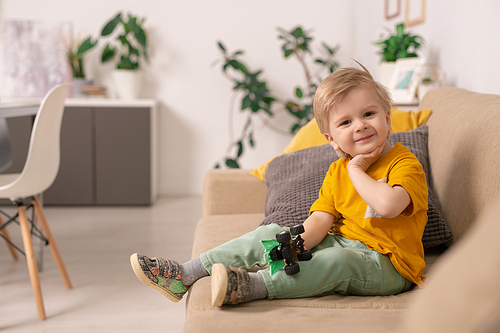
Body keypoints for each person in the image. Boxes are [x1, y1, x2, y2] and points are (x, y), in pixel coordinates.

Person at [130, 63, 428, 307]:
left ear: (388, 119)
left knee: (337, 261)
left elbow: (388, 206)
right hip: (342, 240)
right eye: (345, 122)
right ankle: (184, 274)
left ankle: (252, 286)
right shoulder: (337, 171)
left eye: (368, 114)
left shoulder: (404, 163)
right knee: (274, 233)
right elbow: (321, 219)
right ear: (331, 140)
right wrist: (294, 245)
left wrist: (357, 169)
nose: (360, 125)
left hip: (389, 265)